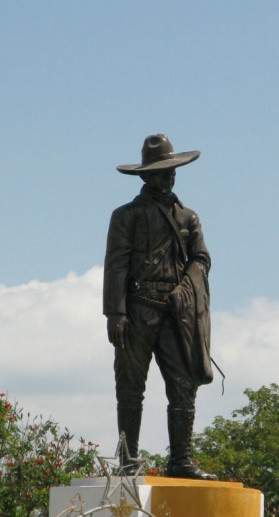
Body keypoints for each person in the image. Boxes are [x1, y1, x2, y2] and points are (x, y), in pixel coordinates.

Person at [103, 134, 217, 480]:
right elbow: (116, 265)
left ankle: (181, 460)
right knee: (130, 387)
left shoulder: (187, 217)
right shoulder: (127, 216)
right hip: (137, 309)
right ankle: (128, 459)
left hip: (175, 312)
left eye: (171, 171)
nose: (168, 177)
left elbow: (201, 258)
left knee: (184, 384)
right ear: (145, 176)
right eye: (161, 172)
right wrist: (116, 313)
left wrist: (186, 286)